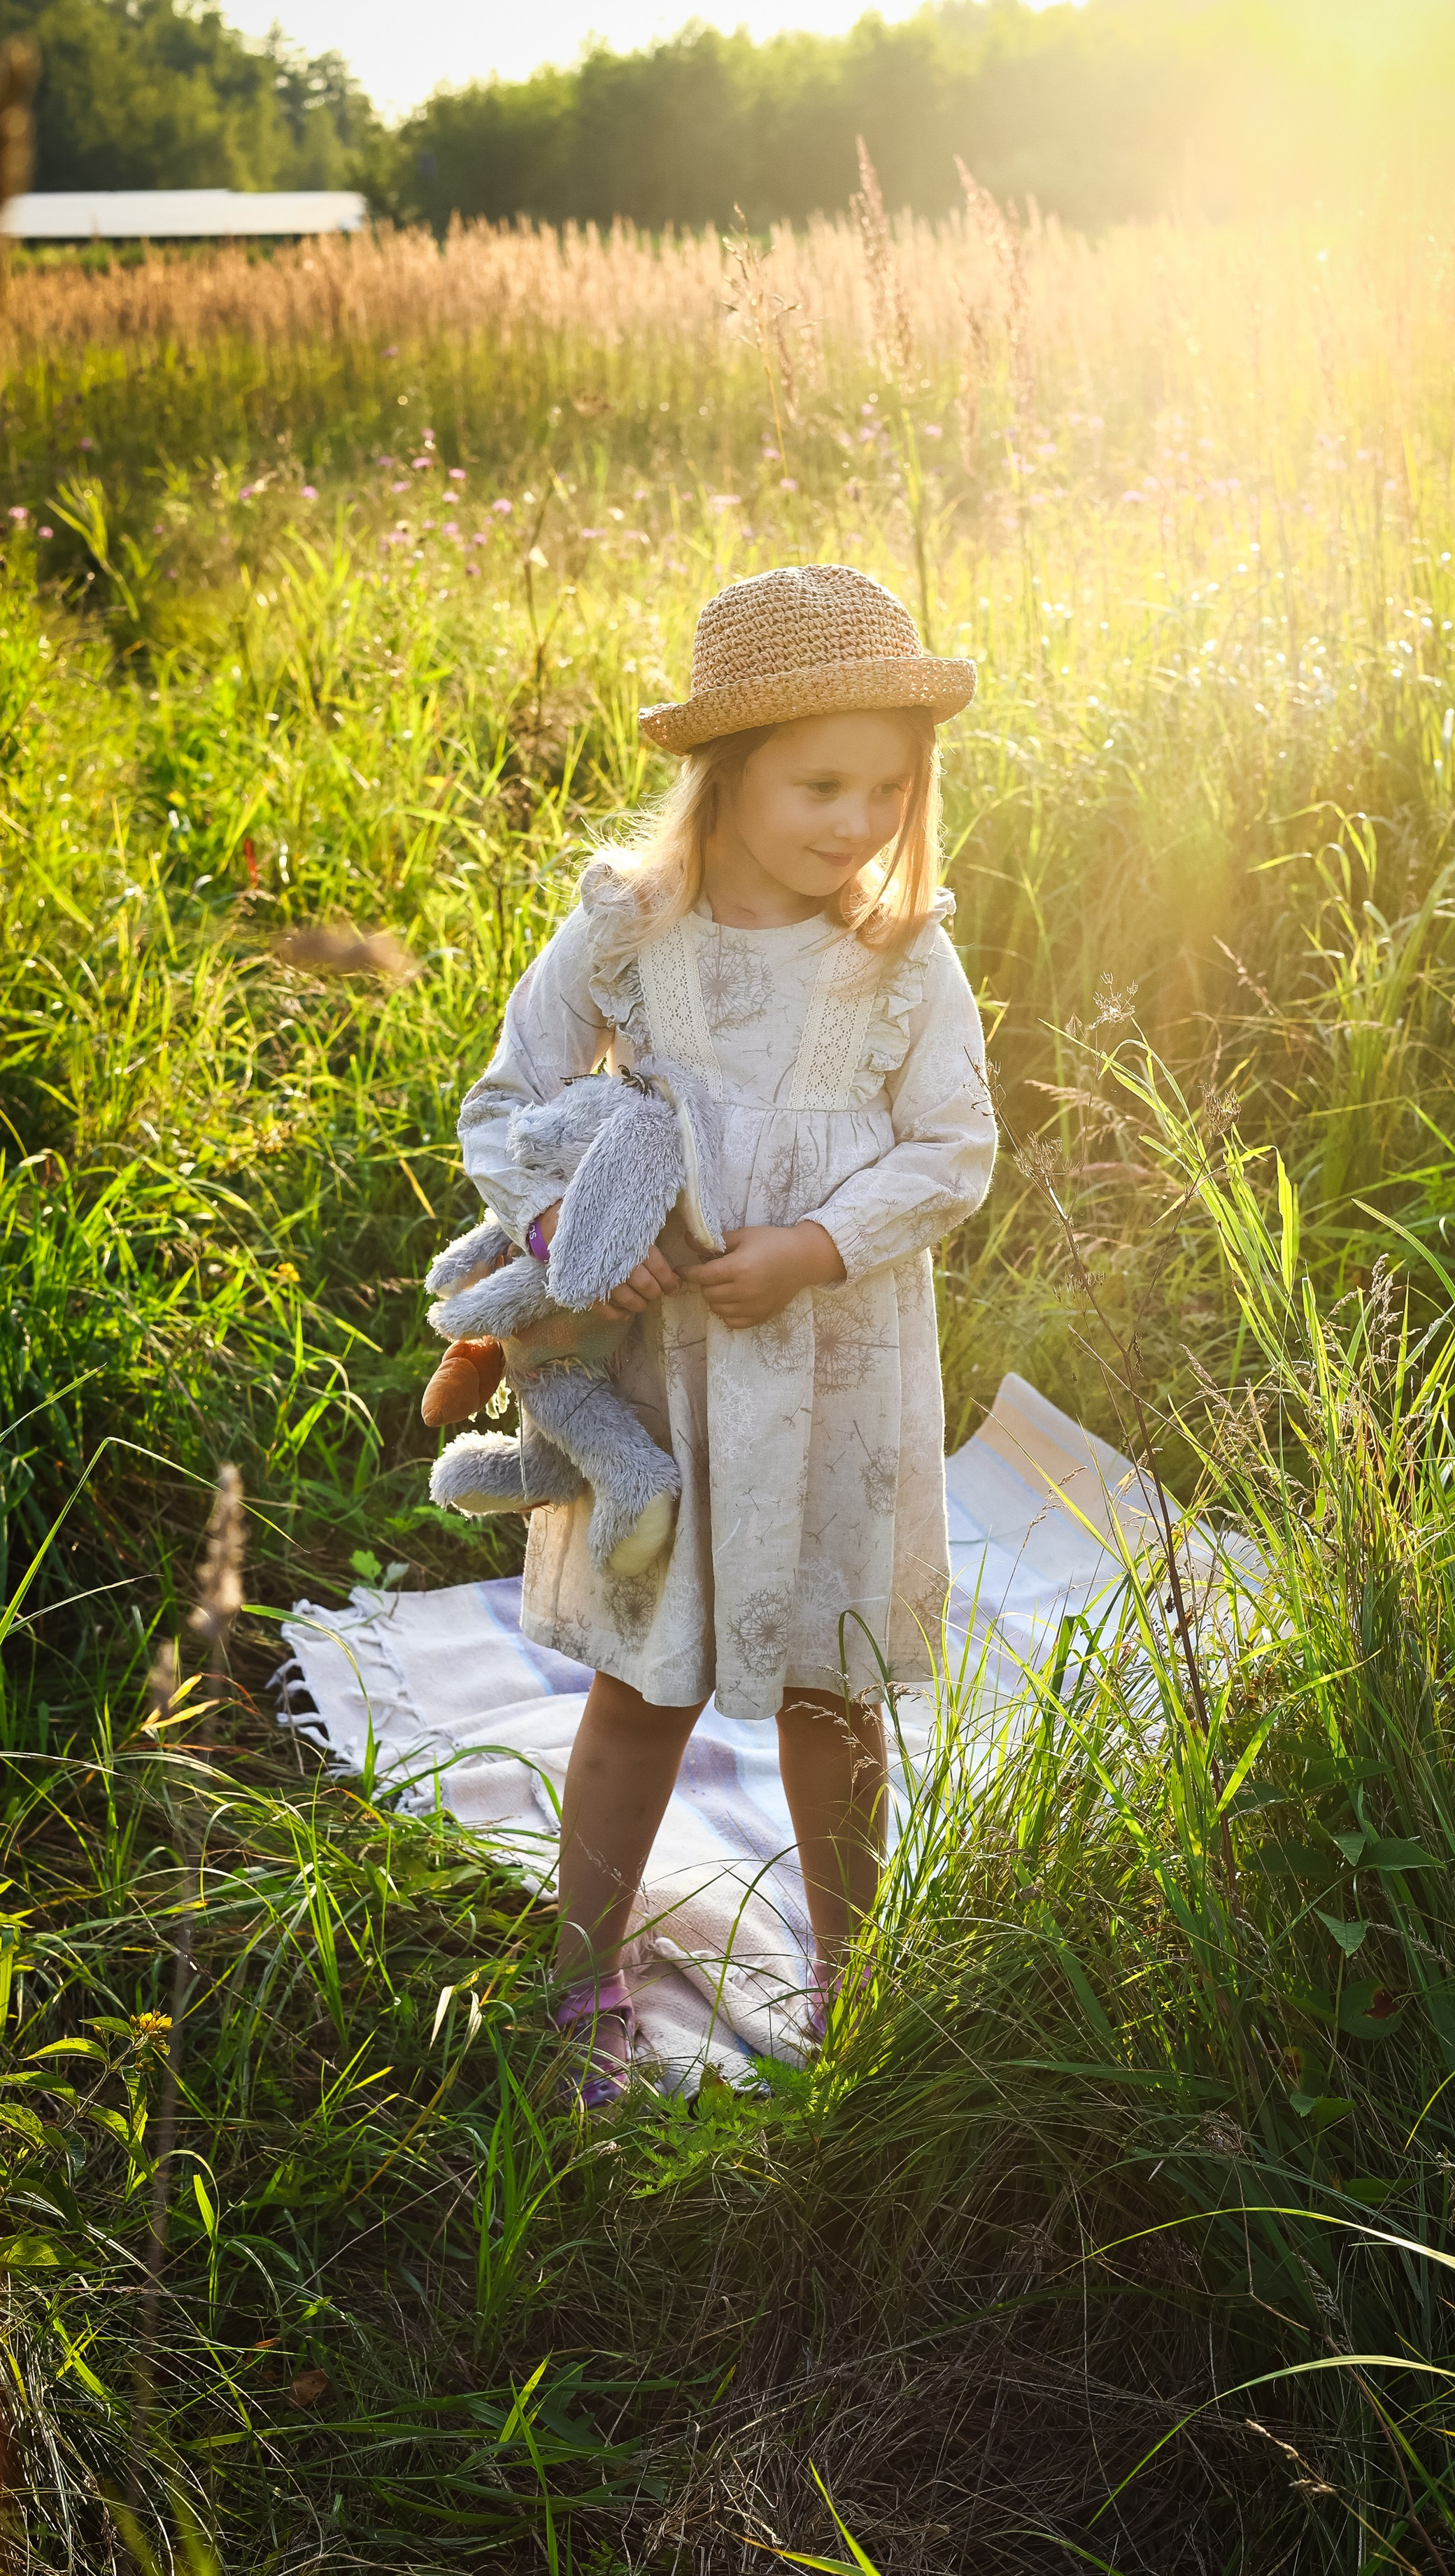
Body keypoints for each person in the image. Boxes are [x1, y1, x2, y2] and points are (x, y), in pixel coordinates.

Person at [455, 563, 997, 2102]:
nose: (858, 821)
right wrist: (573, 1239)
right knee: (644, 1688)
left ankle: (850, 1981)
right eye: (821, 786)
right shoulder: (628, 936)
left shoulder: (902, 954)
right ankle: (583, 1978)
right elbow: (505, 1107)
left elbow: (954, 1149)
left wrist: (818, 1245)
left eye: (888, 789)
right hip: (669, 1379)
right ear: (727, 774)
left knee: (832, 1687)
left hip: (833, 1376)